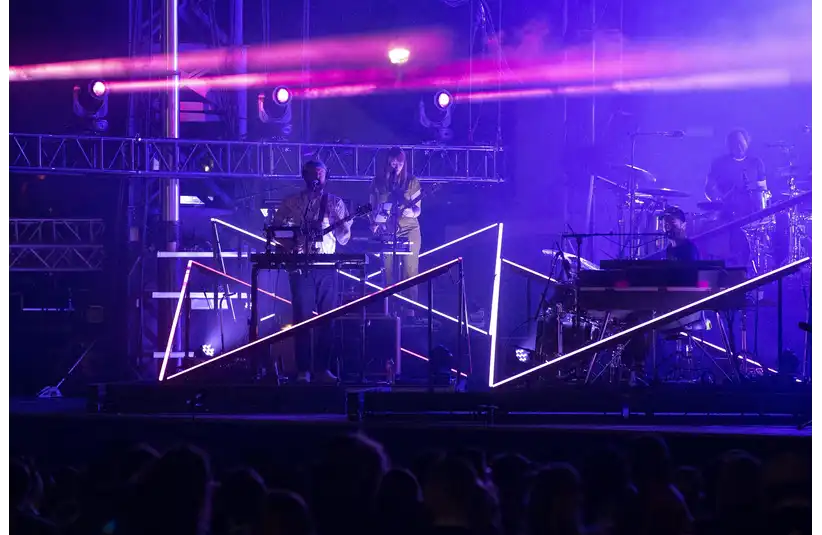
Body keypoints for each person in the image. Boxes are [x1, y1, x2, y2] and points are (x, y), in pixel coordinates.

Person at [273, 160, 352, 383]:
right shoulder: (292, 202)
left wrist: (337, 224)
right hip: (301, 265)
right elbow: (275, 230)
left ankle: (322, 368)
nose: (317, 176)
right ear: (305, 176)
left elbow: (345, 239)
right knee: (302, 318)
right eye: (313, 173)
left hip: (326, 266)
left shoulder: (335, 203)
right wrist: (291, 244)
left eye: (321, 173)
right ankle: (303, 370)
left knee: (328, 320)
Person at [369, 147, 422, 317]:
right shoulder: (378, 182)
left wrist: (410, 211)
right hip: (387, 229)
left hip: (409, 229)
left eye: (400, 162)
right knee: (388, 271)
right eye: (393, 162)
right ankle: (389, 311)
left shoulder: (411, 181)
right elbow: (372, 206)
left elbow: (417, 210)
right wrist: (374, 222)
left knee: (410, 271)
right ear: (387, 162)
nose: (396, 165)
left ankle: (409, 312)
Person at [705, 128, 768, 215]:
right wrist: (718, 203)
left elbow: (763, 188)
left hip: (753, 212)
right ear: (729, 146)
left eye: (741, 143)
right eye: (735, 144)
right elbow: (708, 188)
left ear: (747, 142)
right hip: (727, 214)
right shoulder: (719, 163)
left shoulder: (756, 162)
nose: (738, 147)